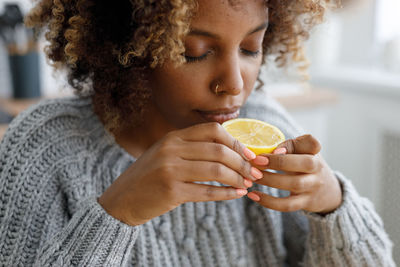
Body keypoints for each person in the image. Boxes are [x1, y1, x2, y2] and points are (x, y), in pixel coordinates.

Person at [0, 0, 395, 266]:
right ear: (128, 48)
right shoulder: (44, 149)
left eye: (250, 47)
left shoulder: (263, 122)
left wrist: (333, 205)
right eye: (196, 52)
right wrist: (116, 214)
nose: (235, 84)